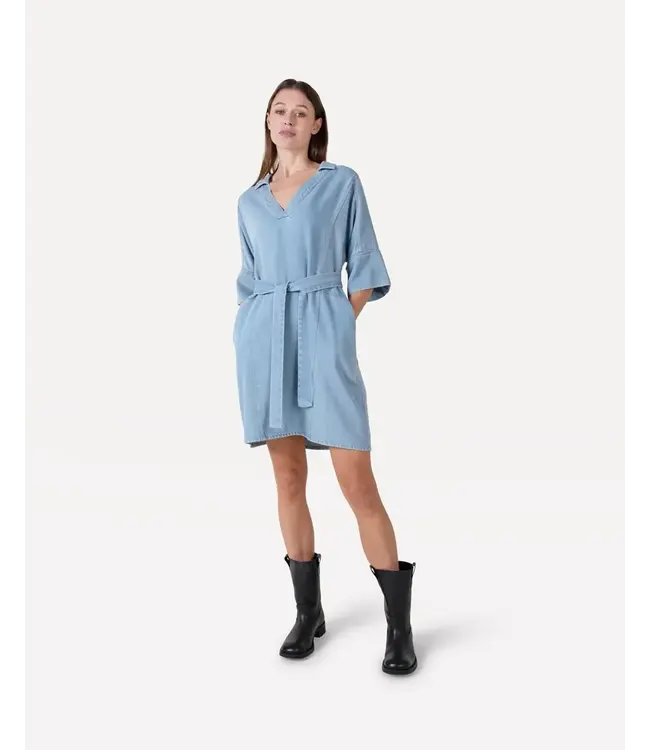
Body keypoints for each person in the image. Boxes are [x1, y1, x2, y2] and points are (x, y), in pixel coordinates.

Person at [233, 79, 417, 675]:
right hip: (264, 342)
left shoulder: (341, 183)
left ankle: (399, 627)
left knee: (357, 481)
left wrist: (339, 323)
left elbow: (363, 264)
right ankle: (307, 613)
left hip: (322, 334)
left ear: (317, 124)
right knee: (288, 477)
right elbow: (248, 281)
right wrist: (251, 328)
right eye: (279, 110)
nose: (288, 119)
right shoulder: (249, 201)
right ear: (268, 122)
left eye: (300, 111)